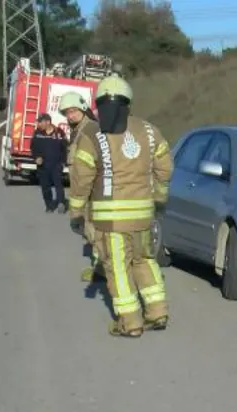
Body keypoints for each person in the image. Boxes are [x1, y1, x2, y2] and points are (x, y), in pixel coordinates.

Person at [68, 74, 173, 338]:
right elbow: (165, 167)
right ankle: (157, 310)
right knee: (144, 260)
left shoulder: (92, 132)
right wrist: (159, 198)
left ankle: (130, 321)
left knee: (118, 269)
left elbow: (82, 178)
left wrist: (77, 212)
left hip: (111, 220)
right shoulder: (149, 130)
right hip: (144, 217)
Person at [59, 92, 103, 283]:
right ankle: (100, 267)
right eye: (67, 113)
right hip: (84, 190)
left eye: (73, 111)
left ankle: (101, 269)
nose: (70, 116)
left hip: (91, 191)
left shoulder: (90, 129)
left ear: (83, 108)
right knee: (91, 231)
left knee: (94, 231)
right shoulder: (78, 130)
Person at [31, 113, 68, 213]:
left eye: (40, 122)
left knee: (58, 185)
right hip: (42, 166)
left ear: (48, 122)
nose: (39, 124)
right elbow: (33, 148)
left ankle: (61, 203)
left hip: (56, 164)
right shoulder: (37, 133)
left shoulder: (59, 133)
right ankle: (49, 205)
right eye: (38, 122)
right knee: (45, 187)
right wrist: (36, 158)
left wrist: (64, 162)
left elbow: (65, 148)